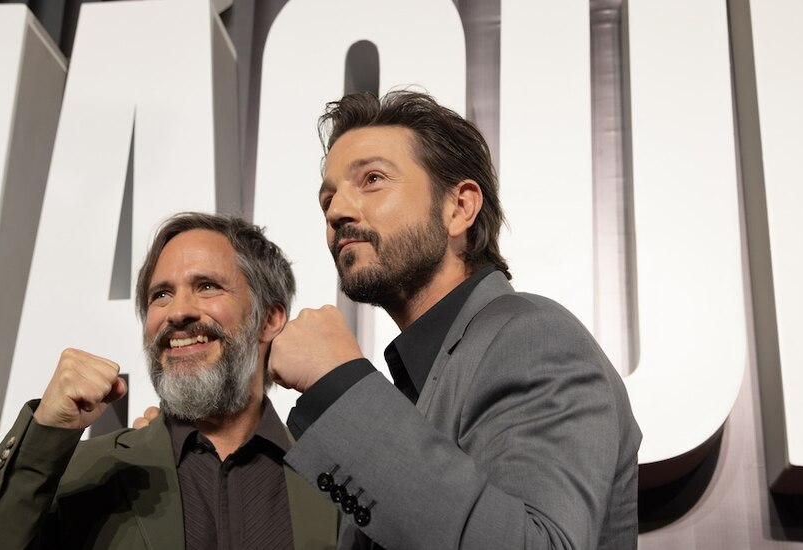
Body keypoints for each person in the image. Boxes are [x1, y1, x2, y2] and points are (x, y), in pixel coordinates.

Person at [267, 91, 642, 550]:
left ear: (459, 207)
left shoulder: (532, 337)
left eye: (372, 179)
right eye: (328, 198)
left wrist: (340, 384)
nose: (338, 211)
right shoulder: (416, 386)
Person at [0, 213, 337, 550]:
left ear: (269, 319)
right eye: (161, 294)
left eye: (206, 286)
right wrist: (45, 435)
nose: (179, 312)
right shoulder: (83, 468)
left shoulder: (336, 483)